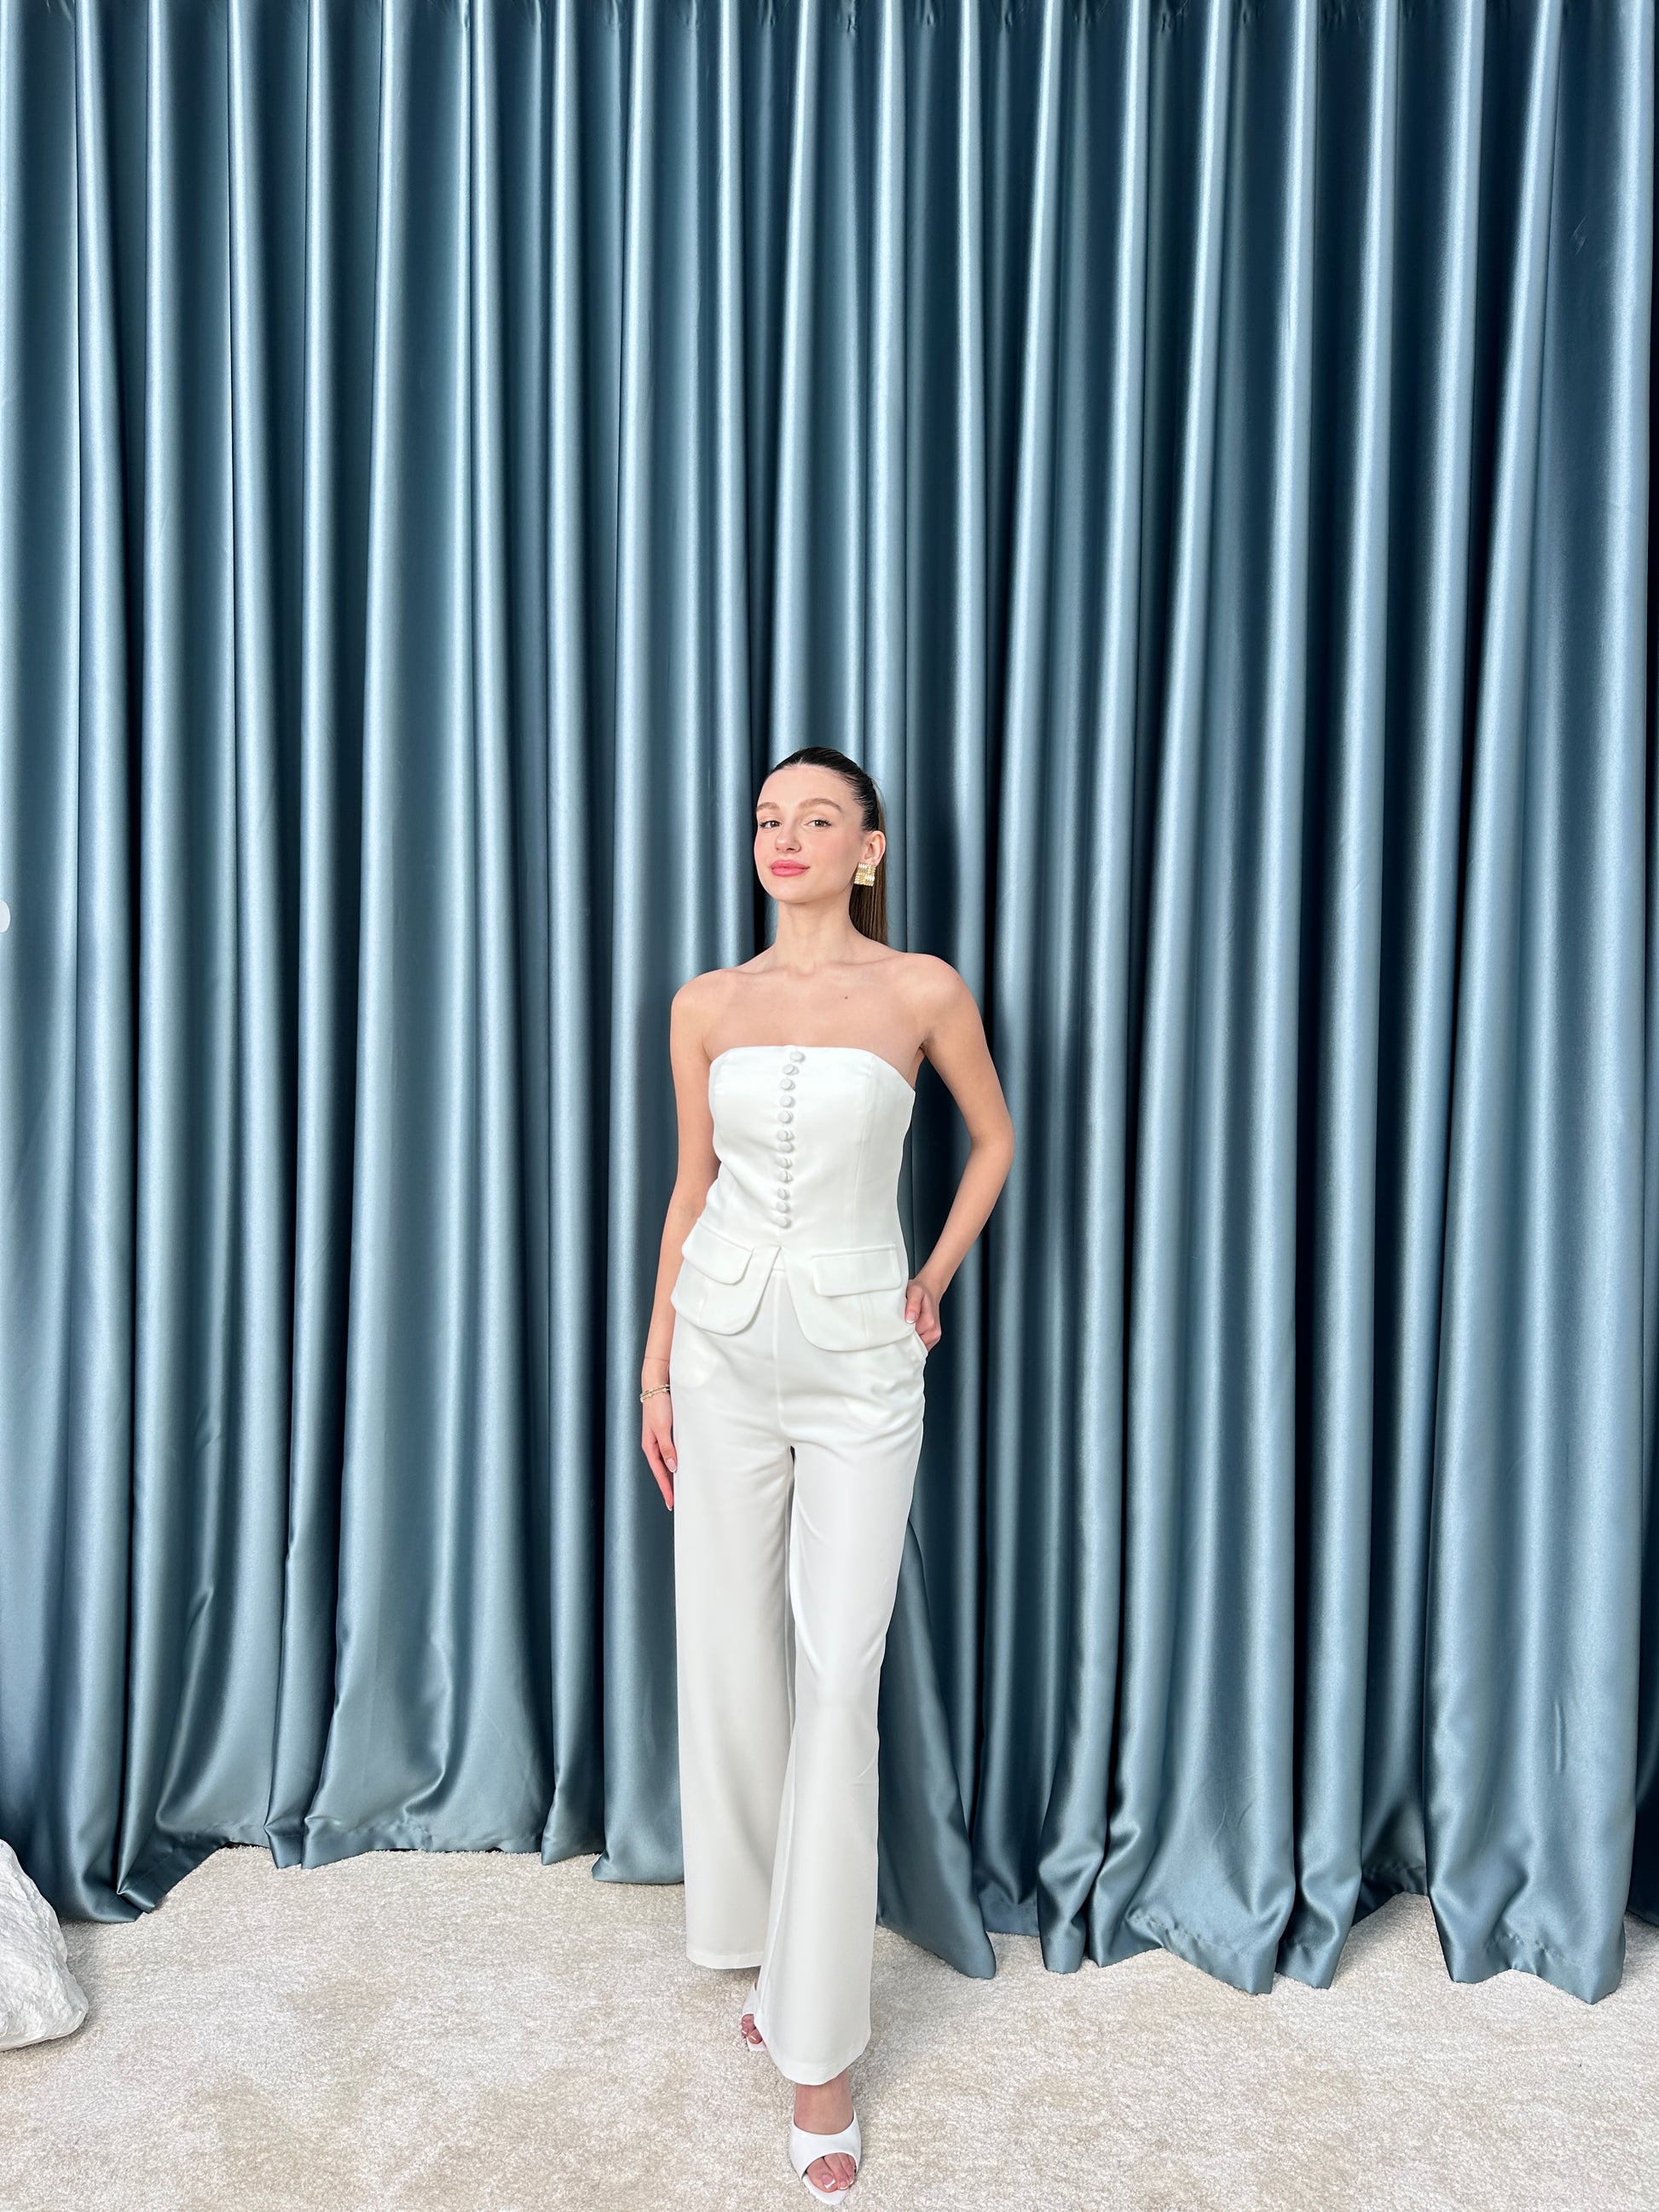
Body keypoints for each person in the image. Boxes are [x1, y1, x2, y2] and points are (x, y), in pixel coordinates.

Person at [638, 746, 1014, 2199]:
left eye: (816, 818)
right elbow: (689, 1189)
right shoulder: (704, 1003)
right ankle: (763, 1953)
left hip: (862, 1359)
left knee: (836, 1677)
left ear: (867, 848)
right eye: (765, 819)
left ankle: (821, 2054)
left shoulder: (919, 989)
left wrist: (933, 1276)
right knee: (730, 1661)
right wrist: (654, 1369)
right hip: (720, 1354)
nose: (782, 837)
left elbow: (990, 1138)